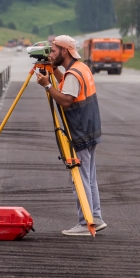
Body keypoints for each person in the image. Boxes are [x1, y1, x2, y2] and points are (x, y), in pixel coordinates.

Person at [36, 35, 106, 236]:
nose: (51, 54)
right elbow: (67, 85)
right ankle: (96, 217)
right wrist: (53, 70)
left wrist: (47, 86)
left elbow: (66, 100)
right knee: (89, 178)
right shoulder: (80, 68)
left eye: (54, 50)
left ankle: (86, 222)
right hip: (91, 128)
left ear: (64, 51)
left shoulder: (73, 74)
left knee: (80, 179)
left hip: (81, 130)